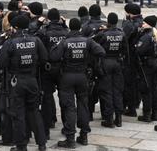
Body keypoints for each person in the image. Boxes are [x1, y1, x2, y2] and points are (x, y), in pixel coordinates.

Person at [51, 18, 106, 149]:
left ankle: (70, 138)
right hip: (82, 76)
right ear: (80, 28)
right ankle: (84, 135)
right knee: (83, 105)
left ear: (70, 28)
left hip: (67, 77)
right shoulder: (88, 41)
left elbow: (53, 57)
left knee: (69, 107)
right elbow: (101, 52)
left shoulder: (65, 42)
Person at [0, 14, 48, 151]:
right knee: (34, 112)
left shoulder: (10, 42)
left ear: (15, 27)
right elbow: (44, 59)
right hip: (32, 80)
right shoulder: (36, 40)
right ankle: (42, 144)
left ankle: (21, 145)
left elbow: (1, 63)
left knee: (18, 114)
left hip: (16, 81)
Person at [37, 8, 69, 139]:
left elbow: (34, 38)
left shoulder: (44, 32)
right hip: (63, 67)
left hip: (48, 68)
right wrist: (64, 24)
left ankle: (48, 125)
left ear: (48, 19)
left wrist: (39, 24)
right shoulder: (65, 31)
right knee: (65, 97)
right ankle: (67, 125)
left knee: (47, 98)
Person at [94, 13, 128, 128]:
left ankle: (109, 119)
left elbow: (95, 45)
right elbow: (125, 51)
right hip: (118, 62)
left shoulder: (103, 34)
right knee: (117, 91)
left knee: (107, 91)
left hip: (106, 62)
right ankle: (118, 118)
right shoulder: (121, 33)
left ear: (108, 22)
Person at [135, 15, 157, 122]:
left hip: (147, 64)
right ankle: (155, 114)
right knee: (154, 89)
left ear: (149, 24)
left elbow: (139, 50)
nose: (142, 24)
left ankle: (146, 114)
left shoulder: (146, 36)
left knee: (146, 89)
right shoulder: (156, 33)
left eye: (144, 23)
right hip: (155, 63)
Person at [122, 3, 143, 117]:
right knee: (137, 82)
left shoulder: (130, 25)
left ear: (130, 13)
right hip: (140, 58)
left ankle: (130, 108)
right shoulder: (143, 23)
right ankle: (136, 103)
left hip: (130, 58)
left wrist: (125, 24)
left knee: (128, 83)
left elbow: (123, 38)